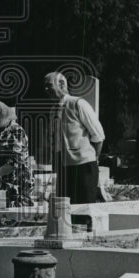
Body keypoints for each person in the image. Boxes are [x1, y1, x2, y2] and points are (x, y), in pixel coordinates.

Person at [44, 71, 105, 204]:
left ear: (61, 84)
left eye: (49, 85)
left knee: (85, 210)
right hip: (64, 168)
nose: (46, 89)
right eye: (45, 86)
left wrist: (93, 159)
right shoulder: (53, 110)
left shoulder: (78, 104)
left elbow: (98, 135)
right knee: (66, 212)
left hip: (83, 167)